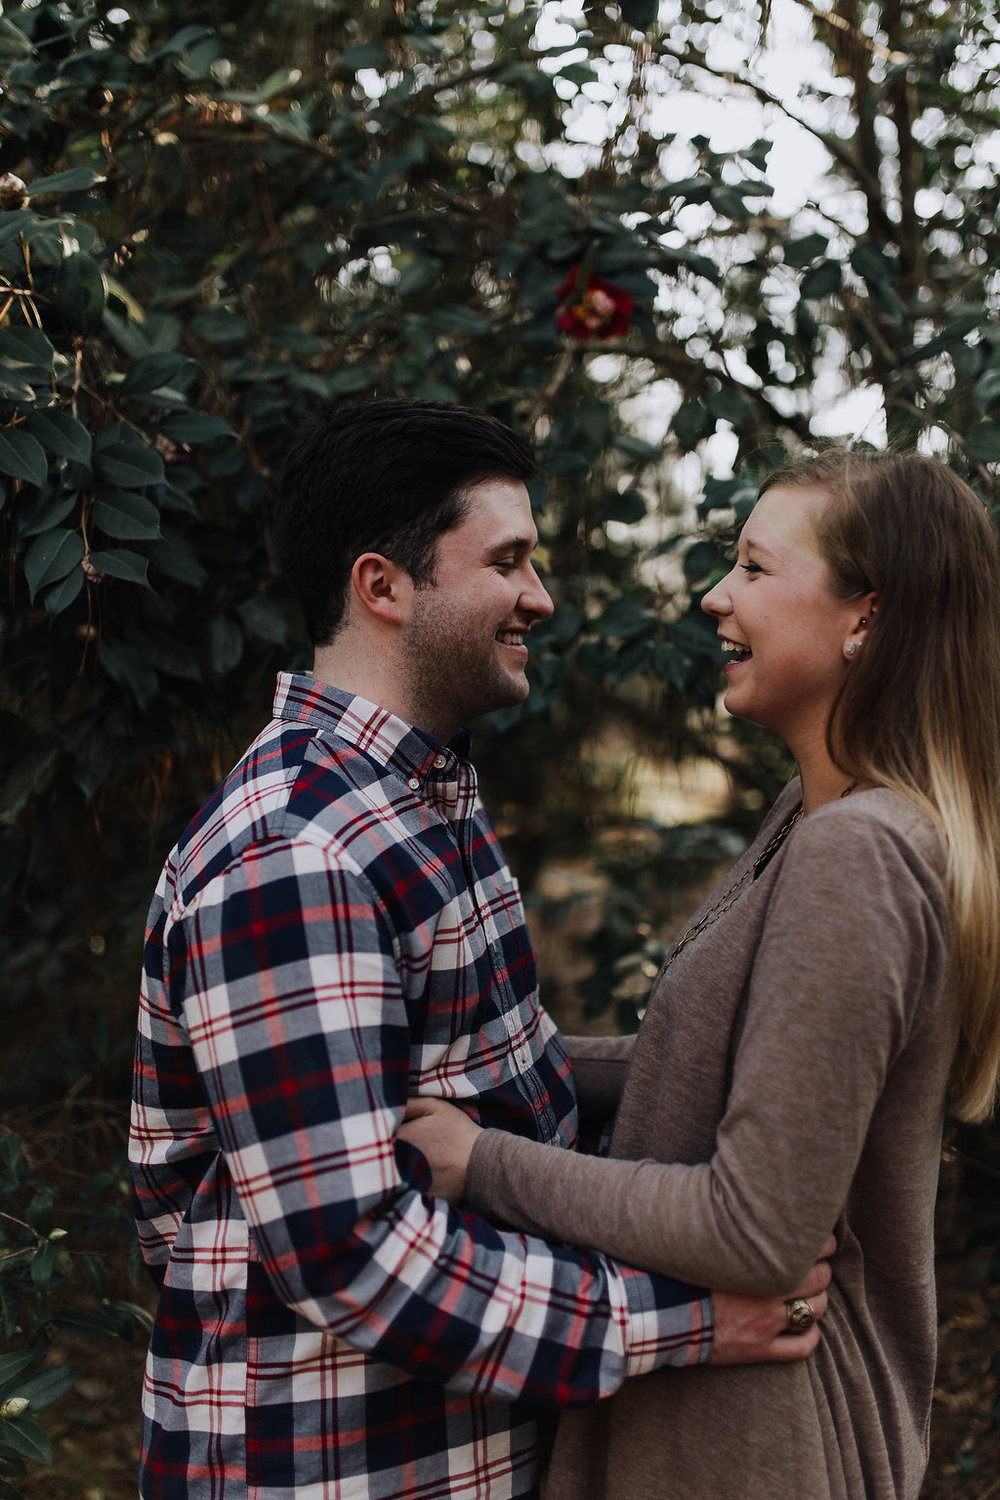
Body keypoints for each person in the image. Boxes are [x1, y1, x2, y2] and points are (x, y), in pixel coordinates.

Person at [128, 399, 831, 1500]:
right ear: (384, 587)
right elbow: (348, 1254)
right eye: (508, 561)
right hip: (330, 1465)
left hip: (452, 1451)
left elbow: (507, 1090)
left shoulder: (416, 807)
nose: (540, 597)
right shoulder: (295, 854)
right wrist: (689, 1321)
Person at [400, 448, 1000, 1500]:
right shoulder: (813, 819)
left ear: (868, 618)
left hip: (758, 1442)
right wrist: (478, 1060)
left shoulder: (856, 853)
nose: (716, 595)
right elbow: (712, 1068)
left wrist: (481, 1162)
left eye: (756, 571)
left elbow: (757, 1229)